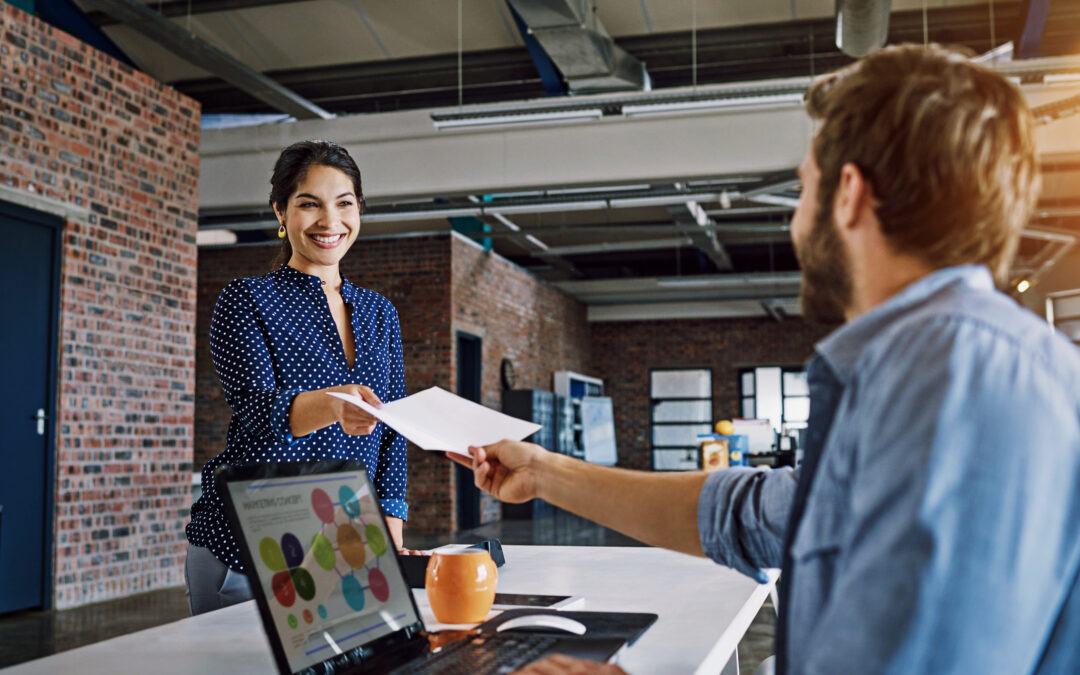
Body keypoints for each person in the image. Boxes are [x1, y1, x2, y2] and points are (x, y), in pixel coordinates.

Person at [456, 44, 1080, 674]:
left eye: (806, 187)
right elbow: (753, 515)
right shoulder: (960, 367)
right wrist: (543, 472)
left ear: (850, 196)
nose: (796, 223)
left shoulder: (950, 386)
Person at [185, 140, 412, 615]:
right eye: (309, 204)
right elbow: (257, 411)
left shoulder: (380, 314)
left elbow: (393, 435)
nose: (330, 221)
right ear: (281, 213)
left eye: (344, 203)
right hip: (249, 543)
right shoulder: (246, 300)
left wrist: (390, 537)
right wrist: (332, 403)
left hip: (345, 545)